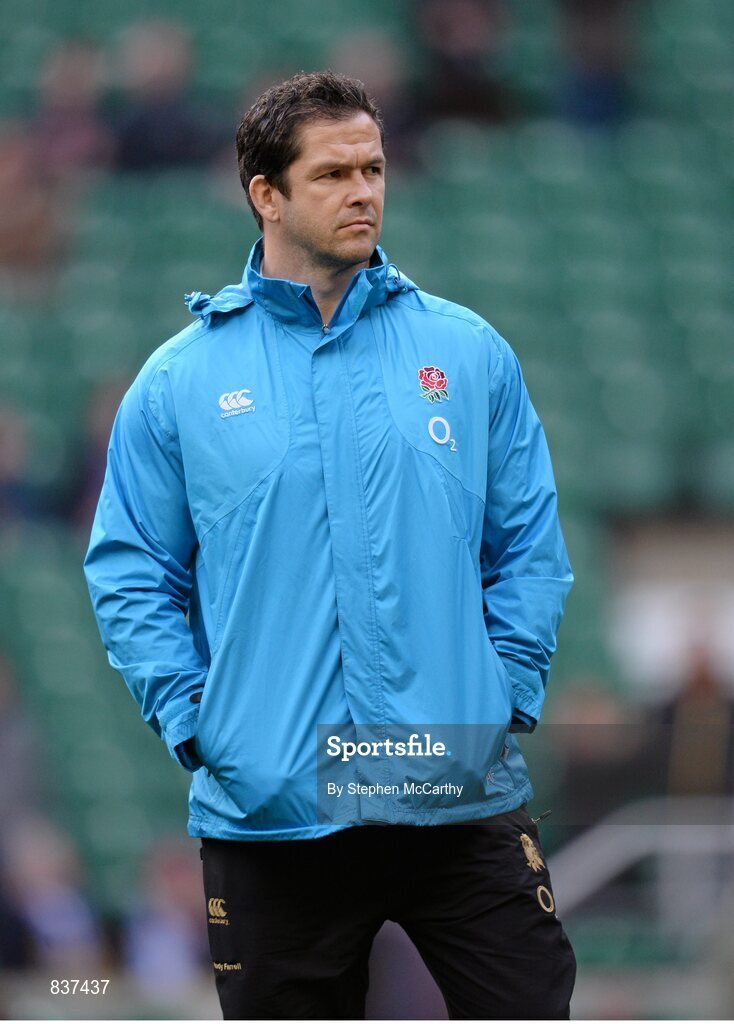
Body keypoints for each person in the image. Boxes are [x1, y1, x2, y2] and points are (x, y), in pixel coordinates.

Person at [84, 71, 576, 1019]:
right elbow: (131, 568)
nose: (364, 192)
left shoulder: (468, 353)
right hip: (274, 804)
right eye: (334, 174)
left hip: (455, 785)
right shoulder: (178, 381)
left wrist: (506, 690)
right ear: (266, 194)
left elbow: (527, 545)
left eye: (375, 168)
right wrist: (198, 722)